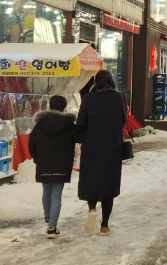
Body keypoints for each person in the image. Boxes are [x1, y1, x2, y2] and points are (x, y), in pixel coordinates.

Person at [76, 70, 127, 235]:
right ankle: (104, 225)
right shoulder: (118, 97)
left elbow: (81, 123)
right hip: (112, 146)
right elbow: (123, 120)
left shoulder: (88, 98)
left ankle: (92, 209)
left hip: (92, 146)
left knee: (92, 179)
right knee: (109, 184)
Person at [29, 95, 81, 239]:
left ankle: (48, 217)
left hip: (44, 162)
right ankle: (52, 227)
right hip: (62, 163)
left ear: (50, 106)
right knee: (57, 194)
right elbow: (79, 137)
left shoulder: (40, 124)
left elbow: (31, 143)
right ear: (64, 108)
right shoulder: (69, 124)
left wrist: (37, 158)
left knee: (46, 191)